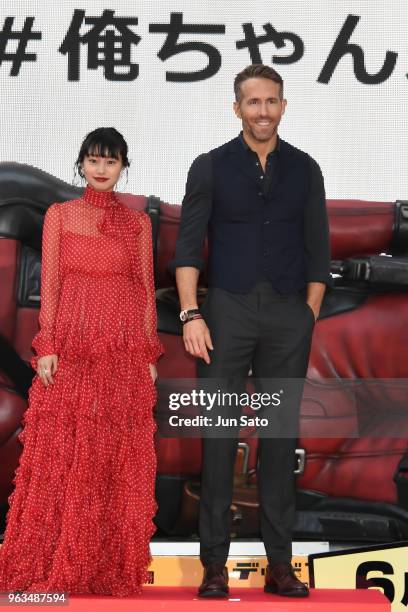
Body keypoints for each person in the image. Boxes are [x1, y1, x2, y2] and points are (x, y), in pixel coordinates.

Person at [171, 65, 331, 598]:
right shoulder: (210, 167)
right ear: (236, 107)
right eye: (253, 102)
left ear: (284, 106)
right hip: (227, 313)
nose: (263, 111)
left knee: (281, 440)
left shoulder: (306, 170)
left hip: (288, 315)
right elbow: (189, 249)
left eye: (272, 102)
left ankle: (280, 566)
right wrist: (192, 315)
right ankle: (214, 566)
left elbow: (319, 252)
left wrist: (307, 314)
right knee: (219, 438)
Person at [0, 127, 163, 596]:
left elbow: (143, 291)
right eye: (93, 160)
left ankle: (101, 566)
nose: (101, 168)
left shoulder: (138, 224)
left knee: (112, 454)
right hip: (71, 343)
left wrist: (147, 350)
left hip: (120, 348)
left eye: (110, 162)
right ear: (81, 164)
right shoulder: (59, 216)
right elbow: (50, 282)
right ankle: (52, 560)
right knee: (64, 451)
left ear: (122, 167)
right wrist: (47, 343)